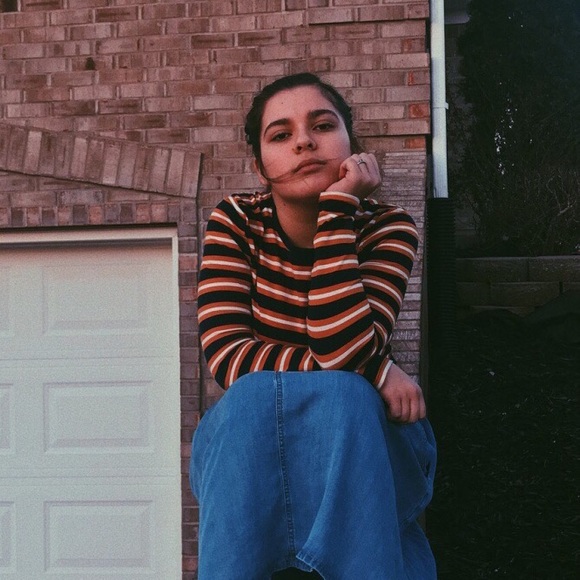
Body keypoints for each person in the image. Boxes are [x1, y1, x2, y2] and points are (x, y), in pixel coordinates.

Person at [190, 73, 437, 580]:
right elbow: (227, 356)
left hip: (361, 441)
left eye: (322, 126)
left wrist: (338, 209)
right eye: (281, 135)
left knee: (347, 397)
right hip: (254, 447)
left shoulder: (388, 226)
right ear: (260, 166)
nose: (304, 141)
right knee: (252, 398)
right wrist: (377, 370)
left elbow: (342, 350)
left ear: (351, 145)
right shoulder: (235, 219)